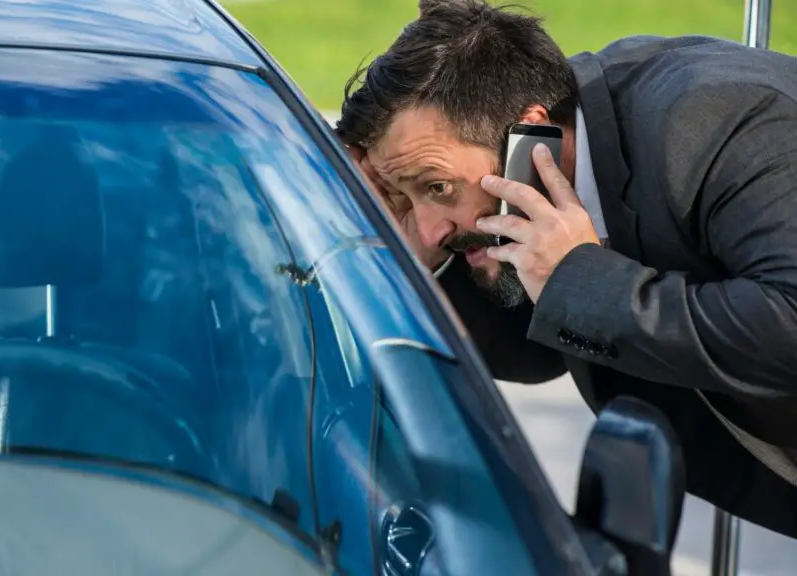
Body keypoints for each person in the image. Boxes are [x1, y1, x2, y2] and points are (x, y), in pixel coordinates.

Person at [335, 0, 797, 538]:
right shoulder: (534, 183)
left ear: (529, 133)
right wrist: (402, 246)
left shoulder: (718, 121)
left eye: (437, 187)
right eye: (406, 194)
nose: (433, 226)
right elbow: (533, 355)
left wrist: (580, 280)